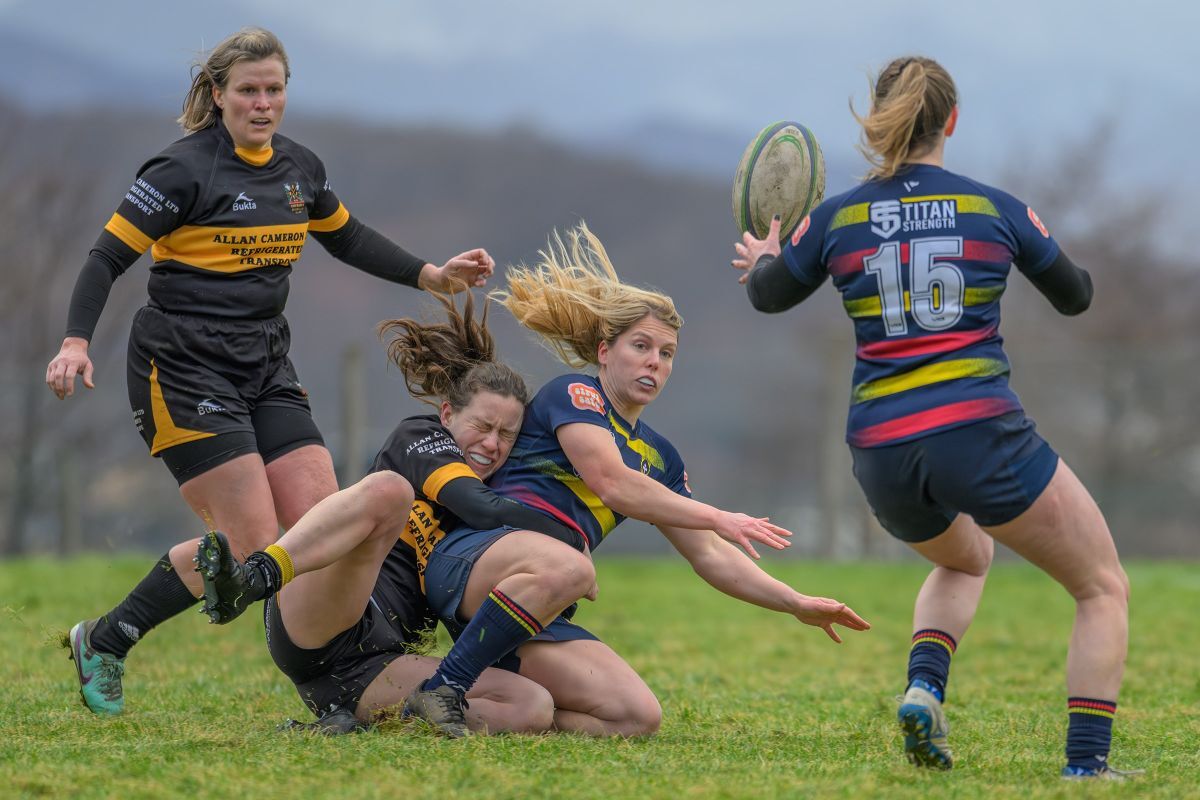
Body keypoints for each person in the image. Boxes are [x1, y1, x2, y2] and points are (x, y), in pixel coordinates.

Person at [47, 27, 494, 716]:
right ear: (218, 94)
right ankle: (106, 639)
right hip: (183, 368)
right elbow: (106, 257)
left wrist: (430, 275)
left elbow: (345, 235)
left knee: (321, 528)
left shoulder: (299, 168)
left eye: (274, 90)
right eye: (248, 90)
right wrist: (75, 342)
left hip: (264, 360)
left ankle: (347, 676)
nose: (262, 103)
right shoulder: (179, 172)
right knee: (254, 546)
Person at [731, 56, 1133, 780]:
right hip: (977, 432)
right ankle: (1086, 766)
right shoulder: (993, 208)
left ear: (877, 120)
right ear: (951, 121)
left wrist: (767, 256)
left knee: (965, 557)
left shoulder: (837, 217)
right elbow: (1076, 296)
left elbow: (767, 295)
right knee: (1102, 586)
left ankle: (924, 688)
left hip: (880, 448)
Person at [401, 223, 871, 738]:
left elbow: (709, 554)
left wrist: (795, 602)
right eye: (641, 346)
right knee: (572, 567)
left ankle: (461, 705)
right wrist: (718, 515)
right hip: (473, 561)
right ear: (605, 351)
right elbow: (613, 483)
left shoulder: (661, 457)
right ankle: (442, 686)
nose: (654, 362)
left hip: (541, 598)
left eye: (666, 354)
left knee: (635, 717)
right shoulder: (575, 395)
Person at [195, 290, 579, 734]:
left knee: (532, 705)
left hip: (371, 665)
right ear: (448, 414)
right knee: (391, 490)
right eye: (482, 425)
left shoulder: (502, 490)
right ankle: (255, 577)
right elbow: (481, 507)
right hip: (318, 617)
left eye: (507, 434)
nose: (492, 443)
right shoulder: (421, 438)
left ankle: (351, 724)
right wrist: (572, 538)